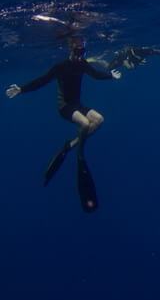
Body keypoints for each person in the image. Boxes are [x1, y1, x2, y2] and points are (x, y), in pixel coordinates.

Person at [6, 37, 120, 211]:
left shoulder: (82, 65)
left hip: (77, 104)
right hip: (65, 107)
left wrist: (110, 75)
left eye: (82, 53)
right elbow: (43, 80)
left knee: (99, 120)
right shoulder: (61, 66)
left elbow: (95, 75)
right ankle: (80, 155)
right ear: (70, 51)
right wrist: (22, 89)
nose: (79, 56)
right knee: (85, 124)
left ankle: (71, 146)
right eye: (76, 52)